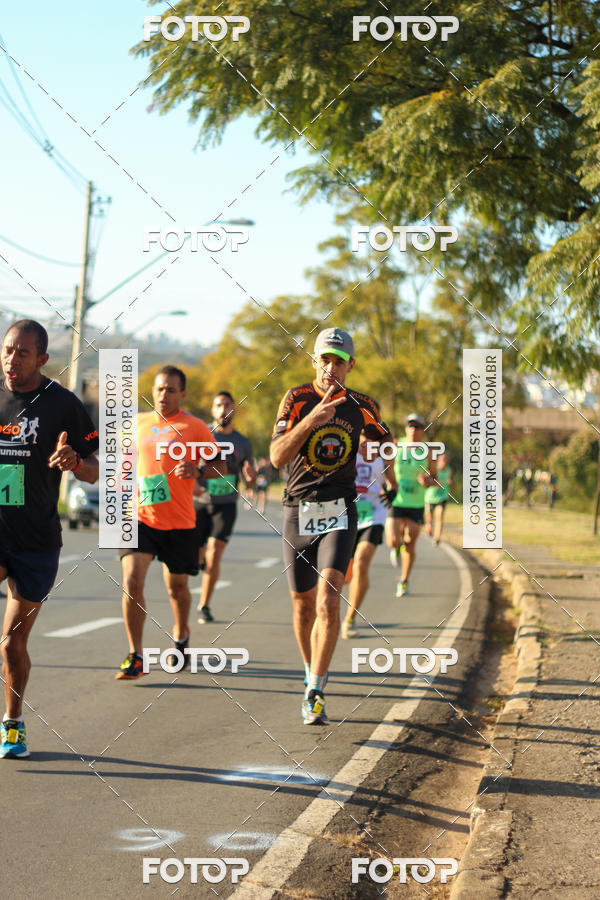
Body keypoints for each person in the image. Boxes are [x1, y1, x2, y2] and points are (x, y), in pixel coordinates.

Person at [270, 327, 391, 725]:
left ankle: (316, 690)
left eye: (339, 360)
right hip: (297, 510)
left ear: (350, 365)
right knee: (303, 608)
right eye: (325, 359)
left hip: (340, 511)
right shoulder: (297, 398)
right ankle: (310, 672)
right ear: (314, 362)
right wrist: (313, 420)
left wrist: (385, 474)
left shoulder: (362, 404)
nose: (331, 367)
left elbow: (386, 443)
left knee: (327, 600)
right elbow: (276, 456)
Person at [0, 320, 99, 757]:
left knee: (11, 643)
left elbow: (97, 470)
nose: (11, 360)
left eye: (22, 353)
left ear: (41, 358)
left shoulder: (63, 405)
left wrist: (75, 460)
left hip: (37, 542)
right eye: (6, 350)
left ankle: (13, 724)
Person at [116, 366, 221, 679]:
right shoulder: (136, 423)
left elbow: (221, 464)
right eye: (159, 389)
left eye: (171, 390)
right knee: (133, 579)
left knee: (177, 588)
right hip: (140, 517)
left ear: (182, 394)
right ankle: (136, 655)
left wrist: (198, 471)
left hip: (179, 521)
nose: (164, 395)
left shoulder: (195, 426)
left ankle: (181, 632)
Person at [195, 391, 256, 624]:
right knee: (197, 554)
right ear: (213, 410)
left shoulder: (243, 443)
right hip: (200, 502)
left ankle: (204, 605)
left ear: (234, 409)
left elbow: (249, 479)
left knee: (214, 554)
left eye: (227, 405)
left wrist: (250, 478)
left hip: (226, 505)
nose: (223, 409)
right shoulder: (201, 435)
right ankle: (198, 559)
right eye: (218, 405)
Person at [341, 434, 396, 638]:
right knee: (343, 575)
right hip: (347, 514)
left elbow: (393, 483)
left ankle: (349, 618)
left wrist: (393, 492)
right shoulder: (347, 448)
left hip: (374, 514)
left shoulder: (384, 454)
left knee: (362, 563)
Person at [386, 413, 437, 598]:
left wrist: (427, 480)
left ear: (423, 430)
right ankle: (395, 549)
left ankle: (404, 580)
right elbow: (385, 468)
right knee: (393, 541)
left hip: (416, 504)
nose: (413, 430)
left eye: (417, 426)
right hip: (397, 501)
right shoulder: (396, 446)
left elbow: (434, 478)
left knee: (410, 542)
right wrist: (389, 484)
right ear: (406, 428)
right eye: (410, 426)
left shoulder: (428, 452)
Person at [425, 452, 451, 545]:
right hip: (430, 498)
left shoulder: (449, 470)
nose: (445, 462)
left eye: (446, 460)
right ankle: (428, 526)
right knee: (429, 519)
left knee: (439, 517)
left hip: (442, 497)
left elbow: (451, 481)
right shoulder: (433, 469)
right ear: (439, 461)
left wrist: (450, 482)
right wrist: (434, 482)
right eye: (443, 460)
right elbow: (427, 479)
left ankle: (437, 538)